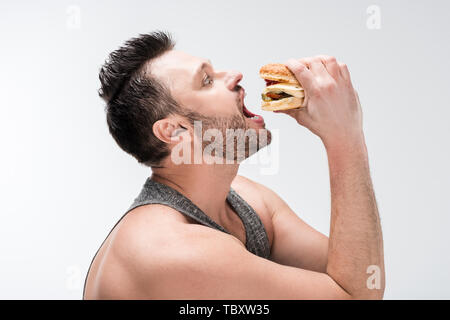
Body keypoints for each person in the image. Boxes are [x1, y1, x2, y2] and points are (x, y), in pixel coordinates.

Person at [83, 31, 385, 299]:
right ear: (175, 131)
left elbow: (358, 277)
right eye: (206, 80)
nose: (236, 75)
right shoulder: (172, 250)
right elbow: (356, 297)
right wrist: (345, 138)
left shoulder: (246, 199)